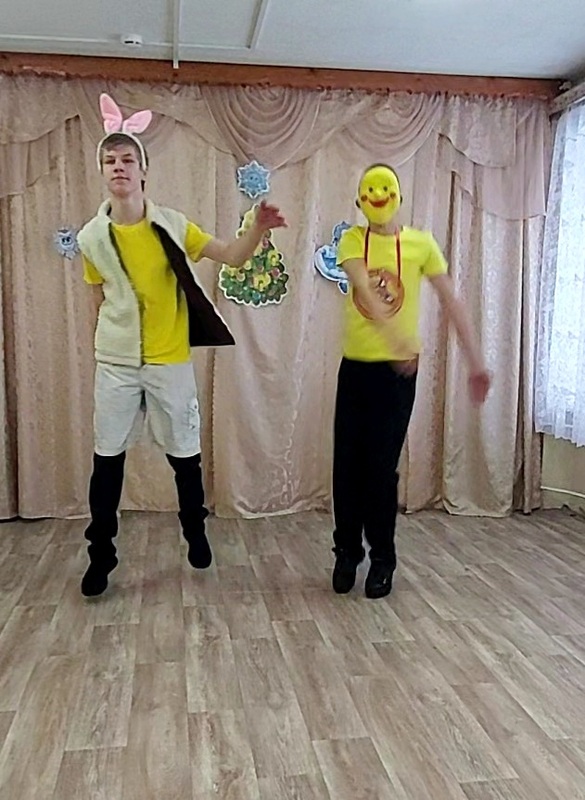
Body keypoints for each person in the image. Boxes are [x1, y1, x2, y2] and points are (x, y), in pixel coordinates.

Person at [77, 93, 286, 597]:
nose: (119, 167)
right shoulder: (91, 238)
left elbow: (230, 256)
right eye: (111, 160)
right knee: (107, 459)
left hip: (169, 359)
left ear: (143, 171)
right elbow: (95, 301)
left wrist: (257, 229)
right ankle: (100, 555)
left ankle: (195, 530)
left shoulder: (171, 223)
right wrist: (103, 352)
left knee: (184, 455)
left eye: (128, 160)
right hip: (116, 363)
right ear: (102, 172)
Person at [332, 163, 490, 600]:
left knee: (381, 471)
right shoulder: (352, 240)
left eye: (386, 188)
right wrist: (397, 338)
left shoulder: (421, 245)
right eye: (370, 190)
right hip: (356, 369)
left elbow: (452, 300)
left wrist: (476, 362)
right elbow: (365, 289)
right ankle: (347, 552)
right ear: (360, 200)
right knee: (346, 467)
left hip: (397, 376)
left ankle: (382, 559)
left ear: (399, 196)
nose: (378, 196)